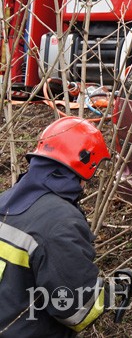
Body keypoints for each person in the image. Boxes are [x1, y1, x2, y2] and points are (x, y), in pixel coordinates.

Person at [0, 116, 112, 336]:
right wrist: (112, 293)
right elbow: (77, 310)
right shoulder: (61, 223)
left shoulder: (5, 201)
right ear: (85, 166)